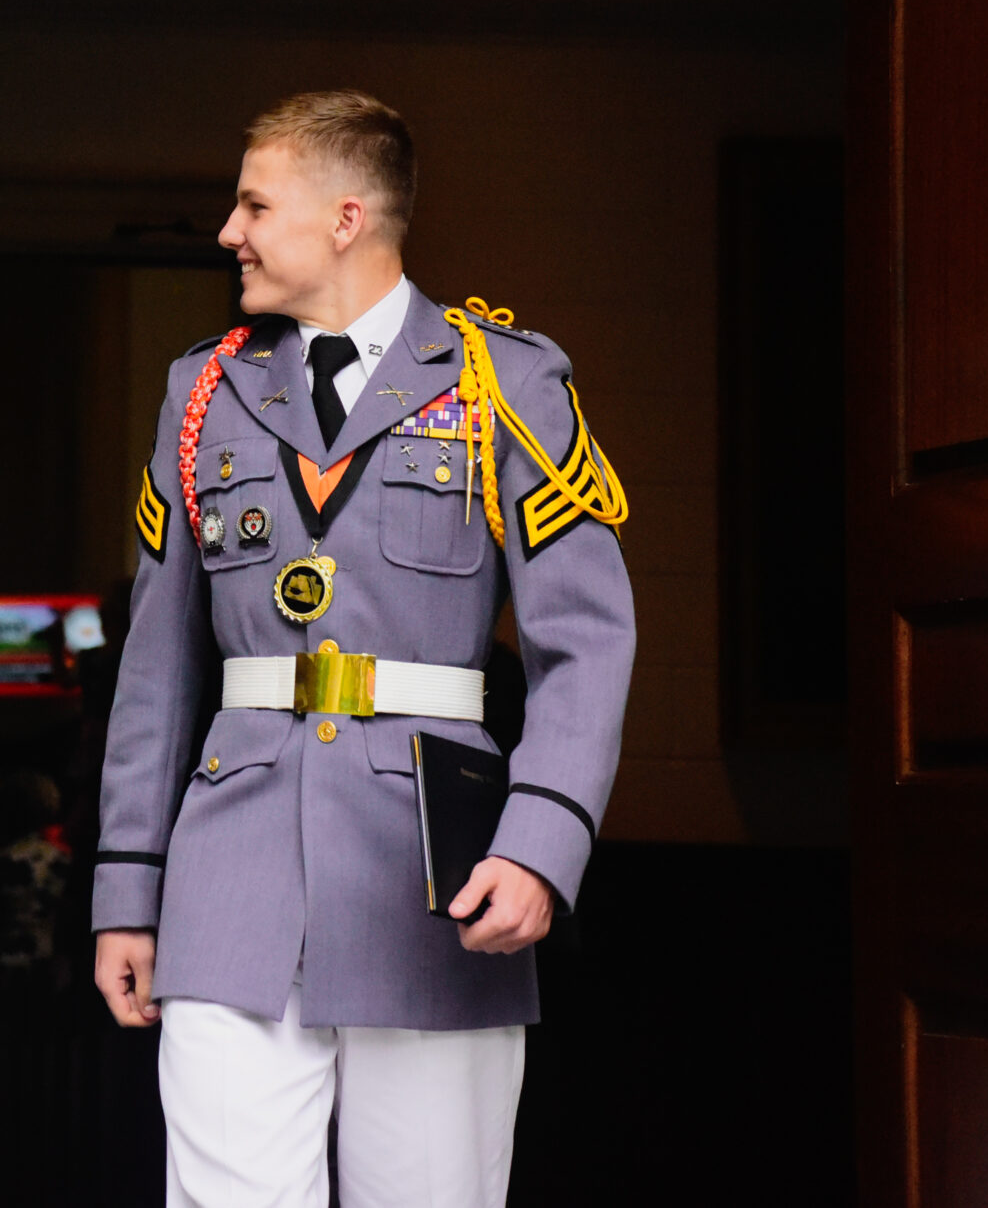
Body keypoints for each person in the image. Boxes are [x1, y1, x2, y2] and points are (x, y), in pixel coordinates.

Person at [91, 90, 637, 1208]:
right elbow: (155, 667)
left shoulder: (501, 381)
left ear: (346, 216)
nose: (226, 231)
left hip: (434, 875)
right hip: (229, 873)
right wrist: (125, 888)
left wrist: (540, 843)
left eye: (252, 202)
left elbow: (584, 641)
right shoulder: (200, 392)